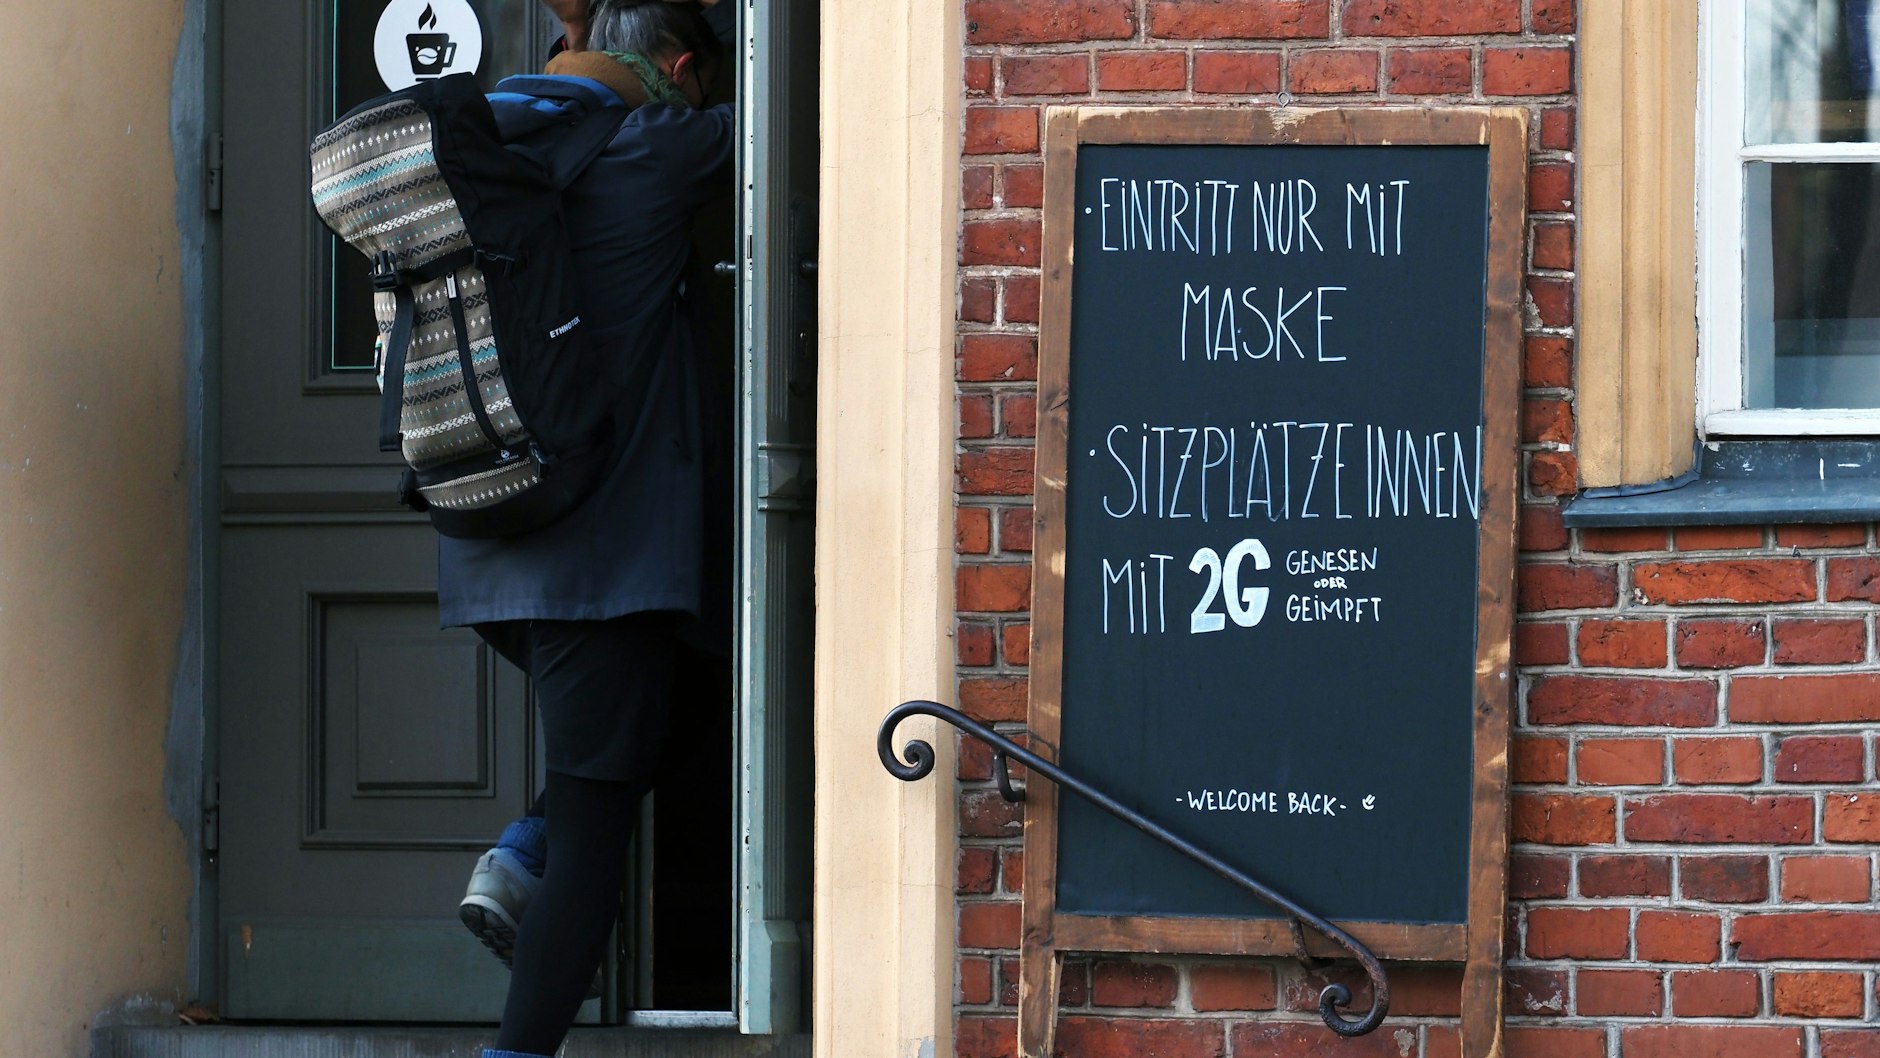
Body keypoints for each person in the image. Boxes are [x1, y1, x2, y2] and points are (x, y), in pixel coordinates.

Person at [434, 3, 734, 1055]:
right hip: (596, 565)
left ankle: (526, 841)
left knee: (695, 692)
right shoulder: (655, 147)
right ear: (681, 68)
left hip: (488, 535)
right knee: (594, 843)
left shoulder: (500, 137)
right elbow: (786, 128)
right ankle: (517, 1045)